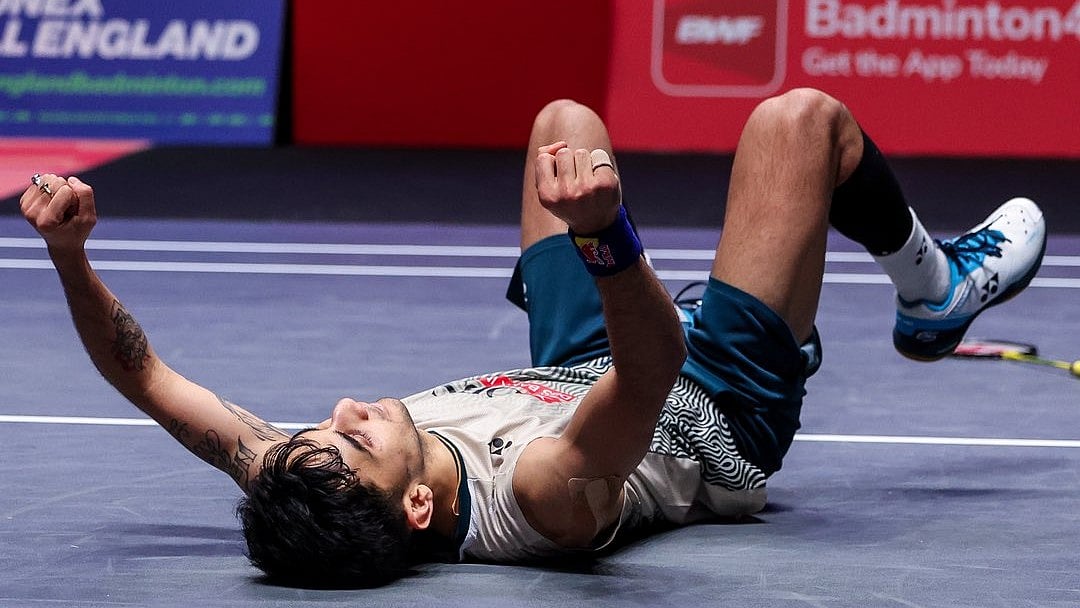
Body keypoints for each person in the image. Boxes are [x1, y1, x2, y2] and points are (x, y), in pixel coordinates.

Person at [19, 88, 1046, 588]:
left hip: (565, 363)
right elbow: (653, 372)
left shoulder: (311, 474)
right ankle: (934, 285)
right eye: (362, 438)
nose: (344, 410)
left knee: (564, 120)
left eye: (325, 429)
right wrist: (605, 237)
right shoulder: (542, 500)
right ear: (419, 505)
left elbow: (145, 374)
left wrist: (71, 258)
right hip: (714, 400)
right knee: (800, 122)